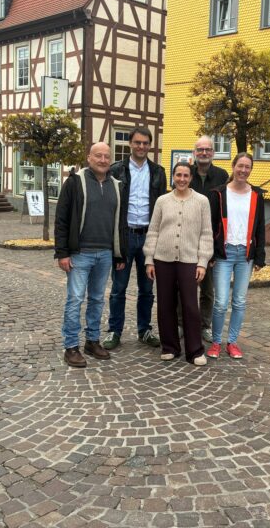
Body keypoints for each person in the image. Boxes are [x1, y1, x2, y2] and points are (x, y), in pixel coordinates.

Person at [54, 142, 127, 368]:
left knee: (96, 299)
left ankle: (92, 341)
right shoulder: (75, 182)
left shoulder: (117, 186)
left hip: (105, 254)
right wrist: (62, 253)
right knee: (75, 299)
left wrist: (119, 254)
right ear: (89, 157)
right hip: (80, 254)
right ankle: (71, 346)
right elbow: (62, 218)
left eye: (107, 156)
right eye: (98, 155)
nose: (103, 160)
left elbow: (120, 223)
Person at [104, 127, 167, 350]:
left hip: (149, 238)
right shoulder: (116, 170)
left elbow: (162, 208)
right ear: (130, 144)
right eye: (137, 142)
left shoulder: (159, 172)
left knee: (147, 289)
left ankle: (144, 330)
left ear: (150, 145)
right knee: (118, 288)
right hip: (125, 236)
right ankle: (114, 330)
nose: (141, 146)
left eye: (145, 143)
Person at [144, 161, 213, 365]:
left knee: (191, 306)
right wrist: (149, 259)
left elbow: (206, 234)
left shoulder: (202, 201)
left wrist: (202, 262)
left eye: (186, 175)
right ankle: (170, 346)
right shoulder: (162, 201)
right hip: (162, 259)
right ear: (173, 177)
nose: (182, 179)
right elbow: (153, 230)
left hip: (189, 260)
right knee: (165, 304)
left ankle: (195, 350)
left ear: (191, 178)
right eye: (178, 175)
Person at [207, 153, 266, 360]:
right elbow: (212, 225)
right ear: (233, 167)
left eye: (247, 167)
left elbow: (260, 227)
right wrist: (211, 253)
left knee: (239, 301)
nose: (243, 170)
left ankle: (232, 342)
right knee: (221, 302)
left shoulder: (257, 195)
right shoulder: (219, 194)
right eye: (240, 166)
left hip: (245, 254)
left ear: (251, 170)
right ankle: (215, 342)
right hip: (224, 253)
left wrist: (260, 257)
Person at [179, 136, 229, 342]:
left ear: (213, 153)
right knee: (183, 287)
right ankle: (182, 324)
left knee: (207, 289)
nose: (204, 153)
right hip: (186, 239)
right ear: (194, 153)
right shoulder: (186, 173)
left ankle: (204, 325)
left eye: (208, 150)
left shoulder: (222, 175)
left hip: (211, 240)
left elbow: (224, 214)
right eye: (200, 150)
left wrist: (217, 249)